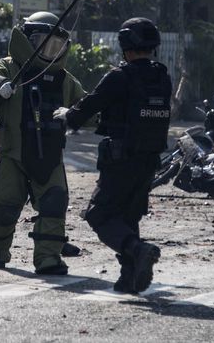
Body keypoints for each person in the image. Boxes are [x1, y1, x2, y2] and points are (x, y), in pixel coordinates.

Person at [53, 17, 172, 293]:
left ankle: (138, 249)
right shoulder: (162, 77)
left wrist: (64, 116)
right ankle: (129, 276)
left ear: (125, 43)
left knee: (99, 215)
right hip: (149, 161)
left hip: (120, 159)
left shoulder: (120, 76)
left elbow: (86, 107)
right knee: (128, 217)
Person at [0, 11, 86, 275]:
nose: (48, 51)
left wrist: (108, 116)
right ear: (26, 40)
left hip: (50, 157)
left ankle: (48, 259)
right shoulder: (9, 69)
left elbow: (86, 107)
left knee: (54, 204)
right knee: (5, 207)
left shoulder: (66, 81)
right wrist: (0, 85)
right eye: (41, 42)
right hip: (12, 154)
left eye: (55, 45)